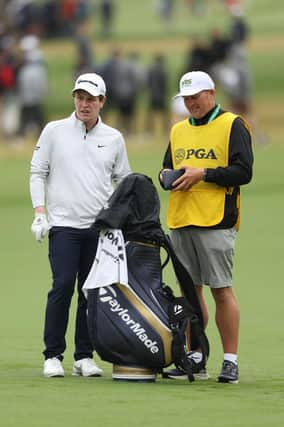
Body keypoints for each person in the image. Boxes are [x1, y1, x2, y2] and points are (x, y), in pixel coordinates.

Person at [30, 72, 131, 378]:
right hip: (62, 225)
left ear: (102, 102)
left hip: (98, 229)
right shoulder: (54, 131)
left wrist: (117, 217)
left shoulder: (113, 138)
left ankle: (83, 356)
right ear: (74, 98)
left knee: (91, 292)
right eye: (79, 97)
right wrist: (39, 212)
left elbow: (125, 180)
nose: (84, 104)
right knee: (61, 286)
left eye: (91, 99)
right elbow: (38, 172)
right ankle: (53, 355)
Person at [160, 71, 253, 383]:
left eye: (196, 97)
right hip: (182, 218)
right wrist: (167, 178)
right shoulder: (178, 130)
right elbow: (167, 167)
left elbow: (243, 171)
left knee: (221, 290)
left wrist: (204, 174)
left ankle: (230, 361)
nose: (191, 103)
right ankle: (196, 356)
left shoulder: (232, 125)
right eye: (186, 99)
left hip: (216, 220)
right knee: (189, 294)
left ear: (211, 93)